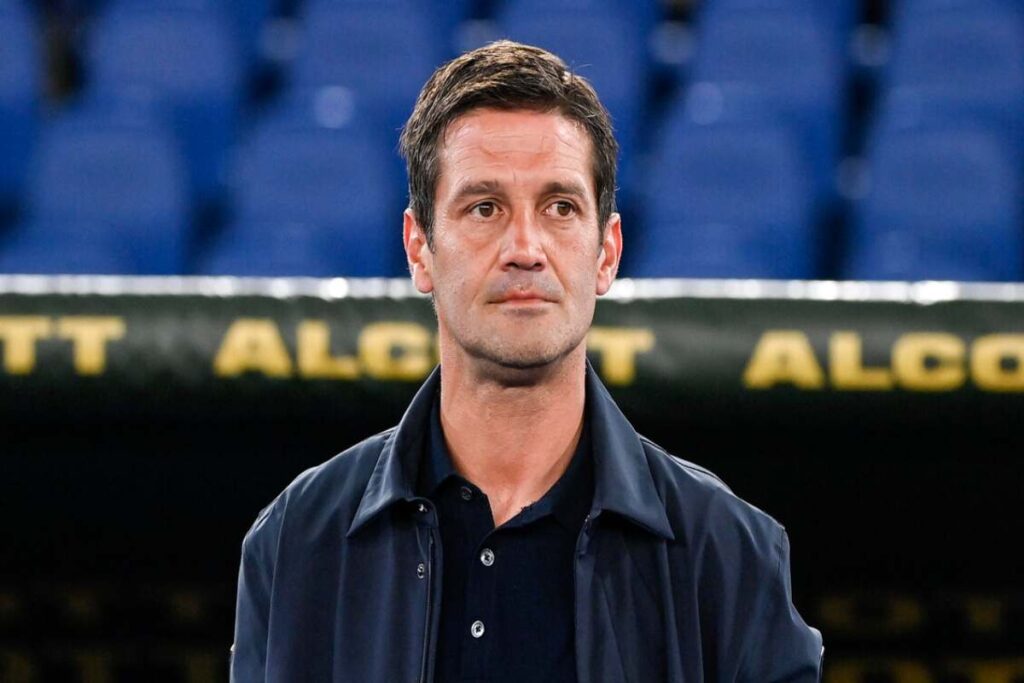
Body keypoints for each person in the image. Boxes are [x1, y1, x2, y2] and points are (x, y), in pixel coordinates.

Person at [230, 40, 823, 682]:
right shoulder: (294, 543)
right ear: (419, 247)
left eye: (560, 208)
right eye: (485, 208)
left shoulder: (730, 554)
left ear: (607, 252)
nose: (525, 248)